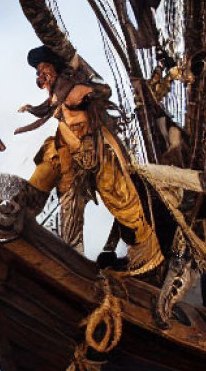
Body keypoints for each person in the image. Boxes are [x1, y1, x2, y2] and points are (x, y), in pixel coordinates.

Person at [15, 45, 162, 274]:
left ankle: (147, 247)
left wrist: (87, 91)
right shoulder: (55, 93)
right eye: (38, 71)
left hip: (95, 149)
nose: (40, 75)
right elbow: (47, 107)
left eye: (44, 69)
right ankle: (23, 211)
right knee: (53, 170)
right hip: (68, 149)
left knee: (116, 192)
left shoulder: (71, 87)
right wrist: (31, 110)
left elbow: (102, 90)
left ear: (54, 68)